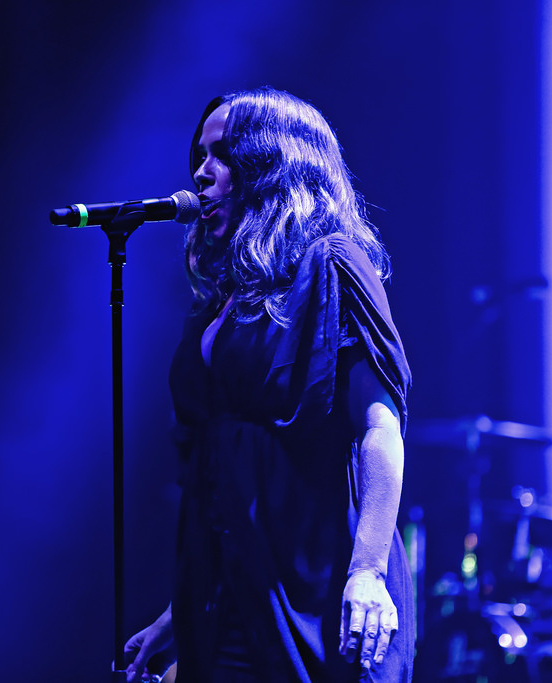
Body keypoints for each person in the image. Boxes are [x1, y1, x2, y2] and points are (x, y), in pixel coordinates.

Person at [124, 87, 414, 683]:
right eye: (198, 156)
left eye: (223, 155)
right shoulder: (224, 300)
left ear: (272, 164)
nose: (201, 173)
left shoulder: (332, 265)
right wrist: (179, 614)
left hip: (315, 587)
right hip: (229, 592)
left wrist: (367, 569)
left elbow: (380, 427)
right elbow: (217, 473)